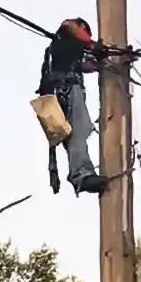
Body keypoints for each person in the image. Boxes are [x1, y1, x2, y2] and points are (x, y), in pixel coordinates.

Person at [37, 17, 108, 195]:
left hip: (51, 97)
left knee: (74, 134)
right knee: (77, 131)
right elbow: (71, 27)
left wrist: (99, 62)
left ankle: (80, 173)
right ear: (82, 27)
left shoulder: (62, 48)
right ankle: (81, 175)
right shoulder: (68, 30)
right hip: (65, 89)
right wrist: (93, 45)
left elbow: (84, 64)